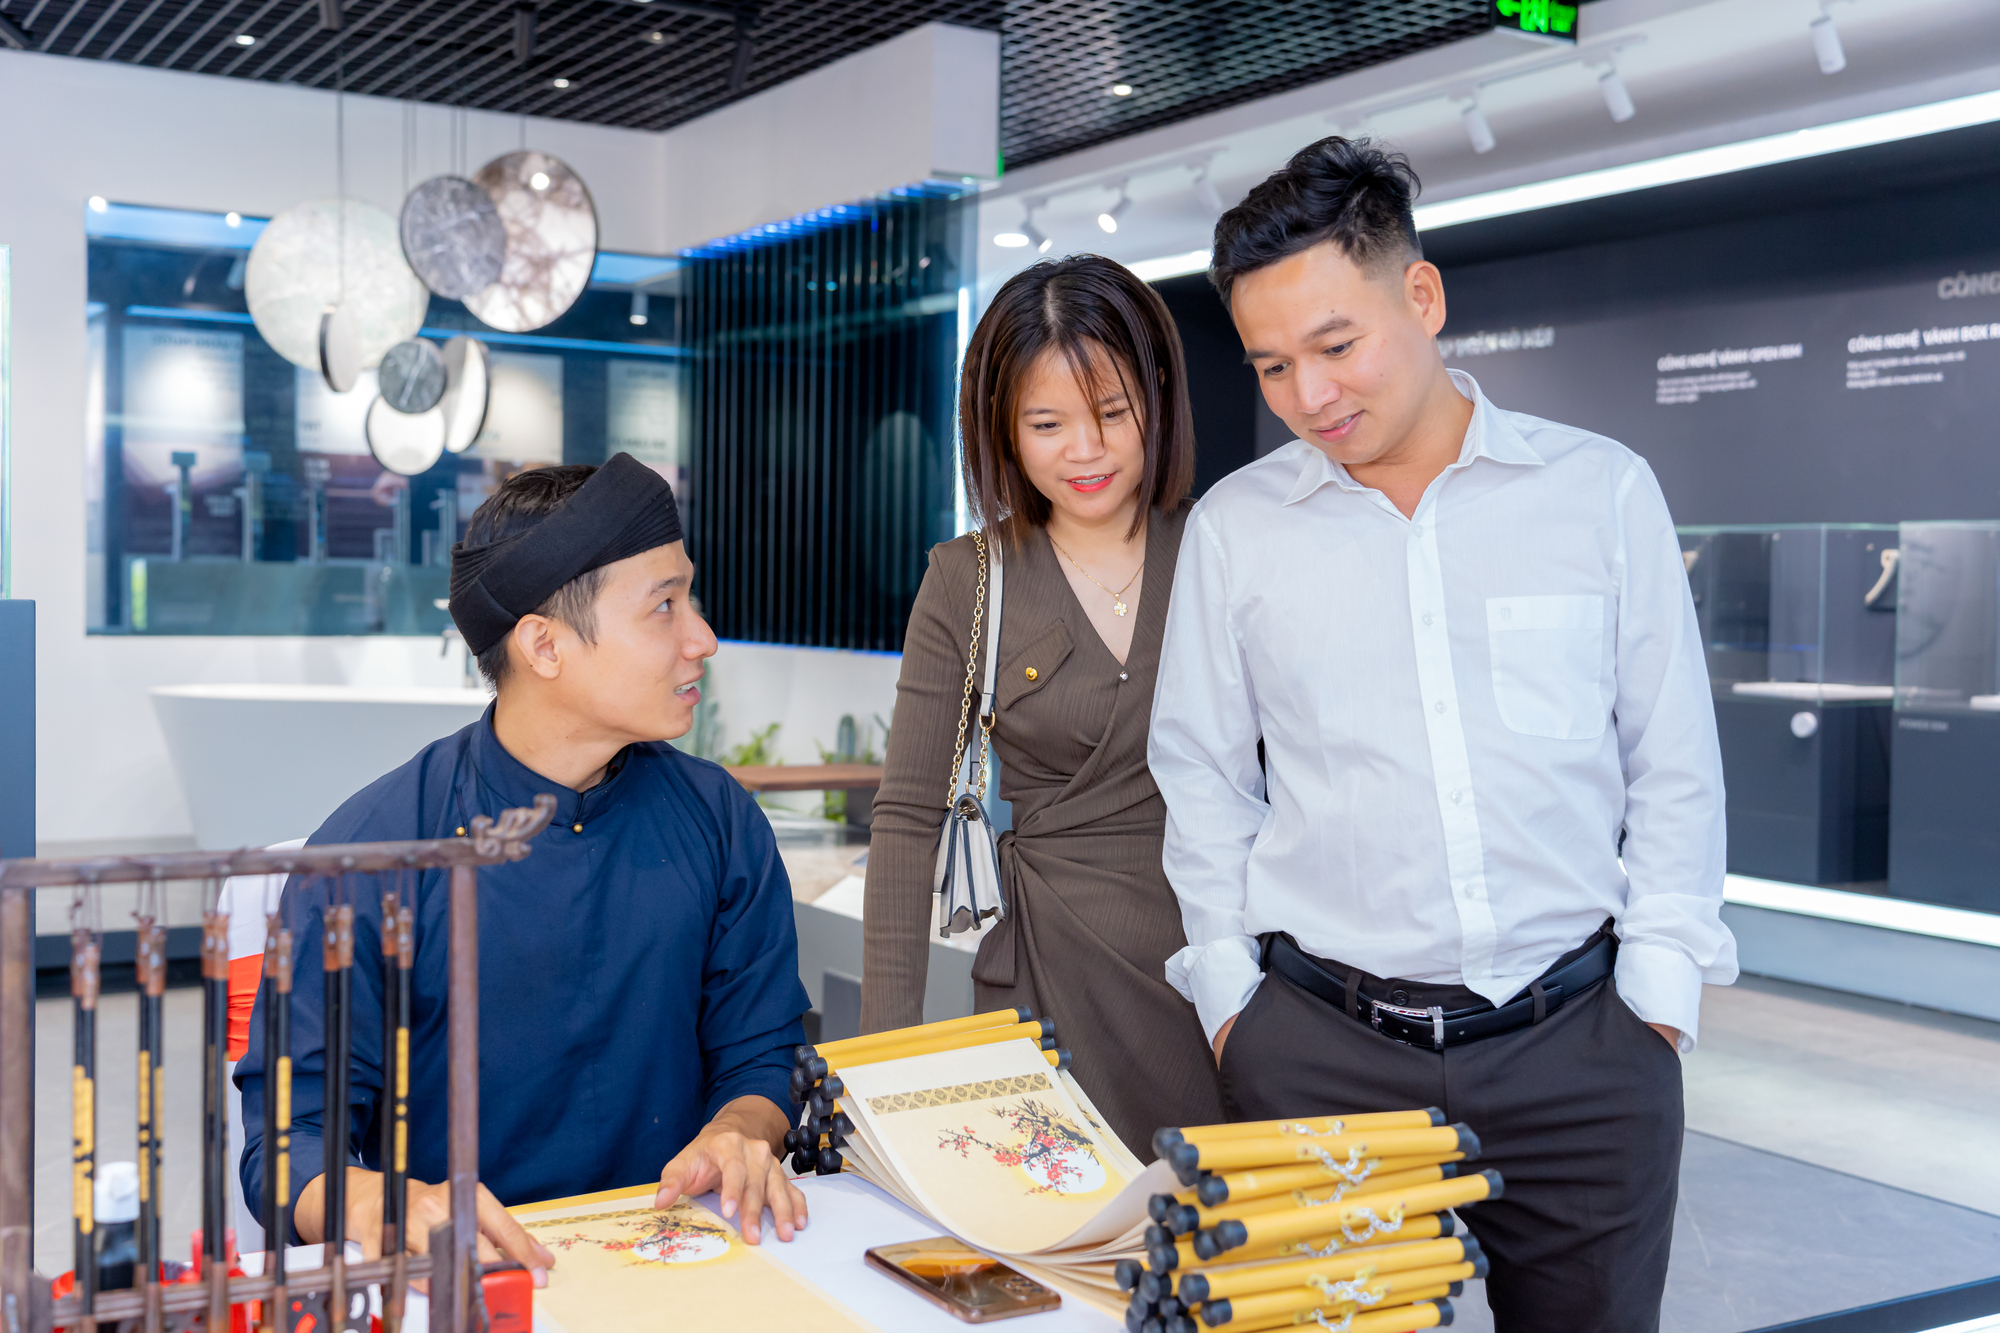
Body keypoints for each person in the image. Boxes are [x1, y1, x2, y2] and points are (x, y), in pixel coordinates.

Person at [1149, 137, 1737, 1331]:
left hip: (1581, 1047)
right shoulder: (1235, 530)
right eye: (1271, 365)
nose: (1309, 395)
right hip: (1318, 1051)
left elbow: (1670, 762)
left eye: (1336, 346)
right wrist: (1229, 999)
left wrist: (1657, 998)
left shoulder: (1598, 491)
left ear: (1419, 296)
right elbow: (1200, 772)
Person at [234, 454, 813, 1288]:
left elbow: (762, 1053)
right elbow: (289, 1141)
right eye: (665, 606)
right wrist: (380, 1204)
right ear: (544, 644)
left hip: (683, 1260)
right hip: (472, 1282)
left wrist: (742, 1131)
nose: (703, 639)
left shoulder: (719, 819)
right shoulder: (374, 855)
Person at [863, 255, 1226, 1155]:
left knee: (1210, 1223)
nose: (1085, 450)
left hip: (1219, 975)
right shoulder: (969, 577)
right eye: (1047, 423)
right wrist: (881, 1063)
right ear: (1003, 429)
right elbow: (907, 820)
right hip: (1046, 982)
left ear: (1159, 398)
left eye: (1112, 413)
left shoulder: (1223, 545)